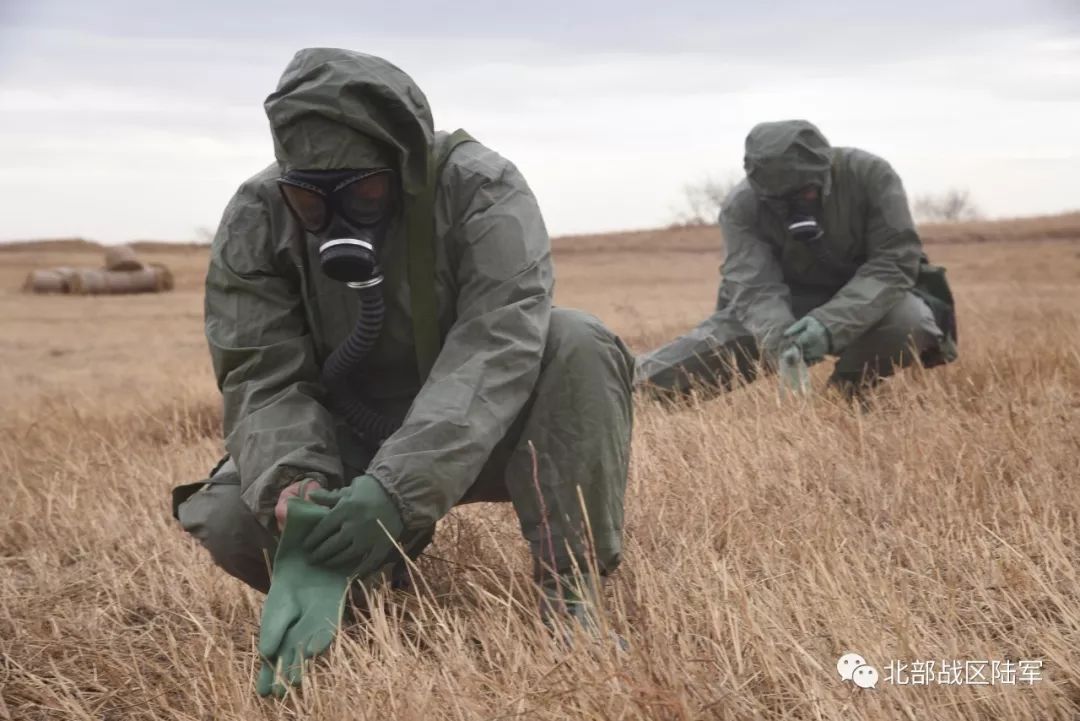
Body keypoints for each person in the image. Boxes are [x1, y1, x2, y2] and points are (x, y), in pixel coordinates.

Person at [170, 48, 634, 695]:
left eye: (364, 192)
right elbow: (262, 375)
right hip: (352, 433)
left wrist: (396, 489)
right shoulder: (256, 218)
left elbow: (497, 347)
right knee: (225, 515)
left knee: (577, 339)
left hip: (483, 431)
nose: (336, 217)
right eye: (310, 201)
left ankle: (571, 593)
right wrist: (294, 492)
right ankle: (363, 589)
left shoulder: (481, 189)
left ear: (403, 166)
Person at [635, 119, 958, 398]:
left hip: (873, 296)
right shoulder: (741, 206)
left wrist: (828, 325)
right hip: (787, 301)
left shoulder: (871, 175)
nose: (795, 206)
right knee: (707, 349)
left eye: (804, 194)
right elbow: (754, 286)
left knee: (909, 321)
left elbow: (895, 260)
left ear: (825, 174)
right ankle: (620, 392)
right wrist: (782, 344)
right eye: (779, 200)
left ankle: (847, 395)